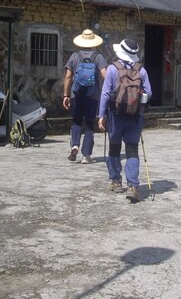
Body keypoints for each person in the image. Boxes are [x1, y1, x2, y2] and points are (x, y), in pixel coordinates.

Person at [98, 39, 152, 203]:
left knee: (114, 148)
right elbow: (149, 93)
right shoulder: (141, 71)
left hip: (115, 116)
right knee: (132, 151)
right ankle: (133, 186)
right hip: (135, 117)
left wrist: (101, 115)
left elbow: (106, 94)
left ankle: (115, 181)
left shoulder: (113, 69)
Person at [63, 29, 108, 164]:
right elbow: (105, 76)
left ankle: (75, 145)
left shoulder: (74, 57)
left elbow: (68, 77)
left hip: (76, 95)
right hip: (92, 96)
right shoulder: (98, 57)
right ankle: (86, 155)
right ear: (94, 42)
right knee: (89, 123)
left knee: (76, 121)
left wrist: (66, 95)